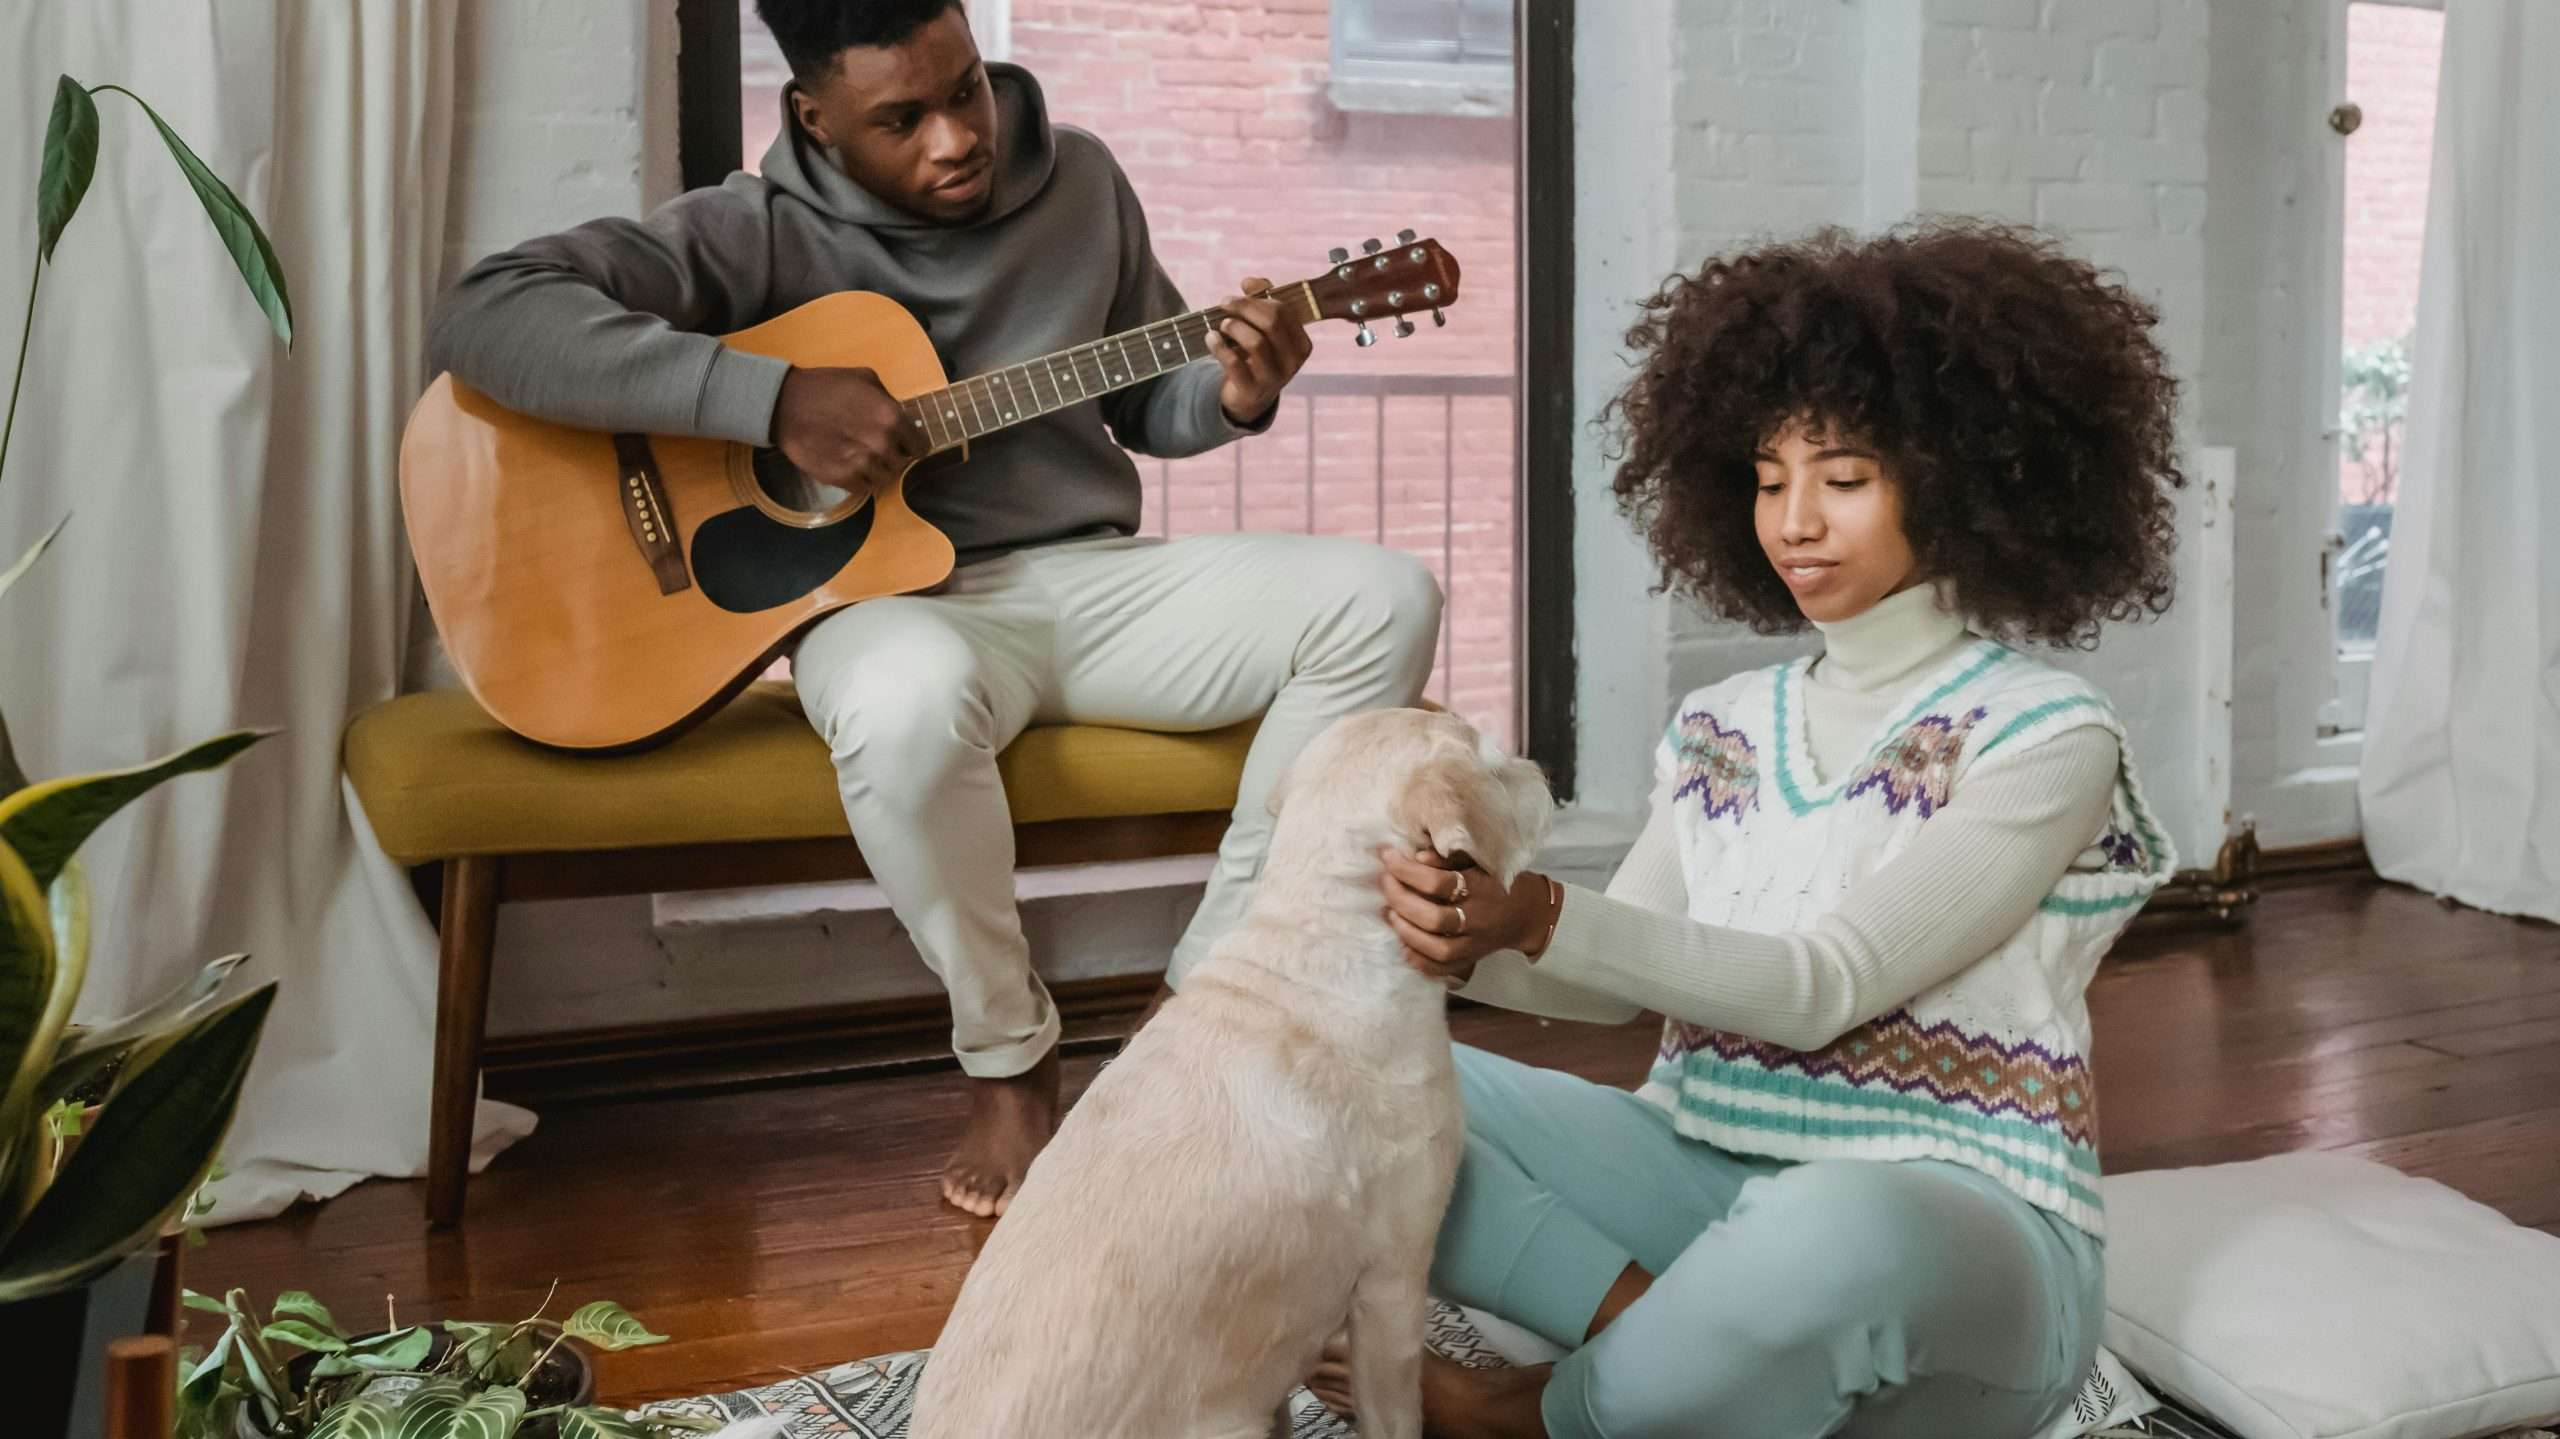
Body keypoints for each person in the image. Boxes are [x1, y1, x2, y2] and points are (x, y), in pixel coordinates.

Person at [424, 0, 1441, 1218]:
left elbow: (1147, 406)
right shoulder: (753, 231)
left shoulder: (1084, 185)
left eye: (962, 90)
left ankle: (1205, 1002)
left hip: (1084, 582)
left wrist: (1228, 389)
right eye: (900, 120)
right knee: (906, 701)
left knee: (1384, 598)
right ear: (816, 117)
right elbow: (486, 312)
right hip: (888, 611)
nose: (956, 138)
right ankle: (1009, 1057)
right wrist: (768, 402)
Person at [1314, 220, 2187, 1437]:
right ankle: (1647, 1329)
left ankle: (1539, 1413)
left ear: (1959, 477)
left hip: (1959, 1229)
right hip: (1705, 1180)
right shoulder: (1726, 721)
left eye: (1843, 477)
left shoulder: (2045, 733)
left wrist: (1541, 912)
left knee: (1829, 1222)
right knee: (1335, 1070)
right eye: (1769, 479)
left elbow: (1823, 984)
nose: (1793, 521)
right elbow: (1602, 992)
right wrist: (1460, 927)